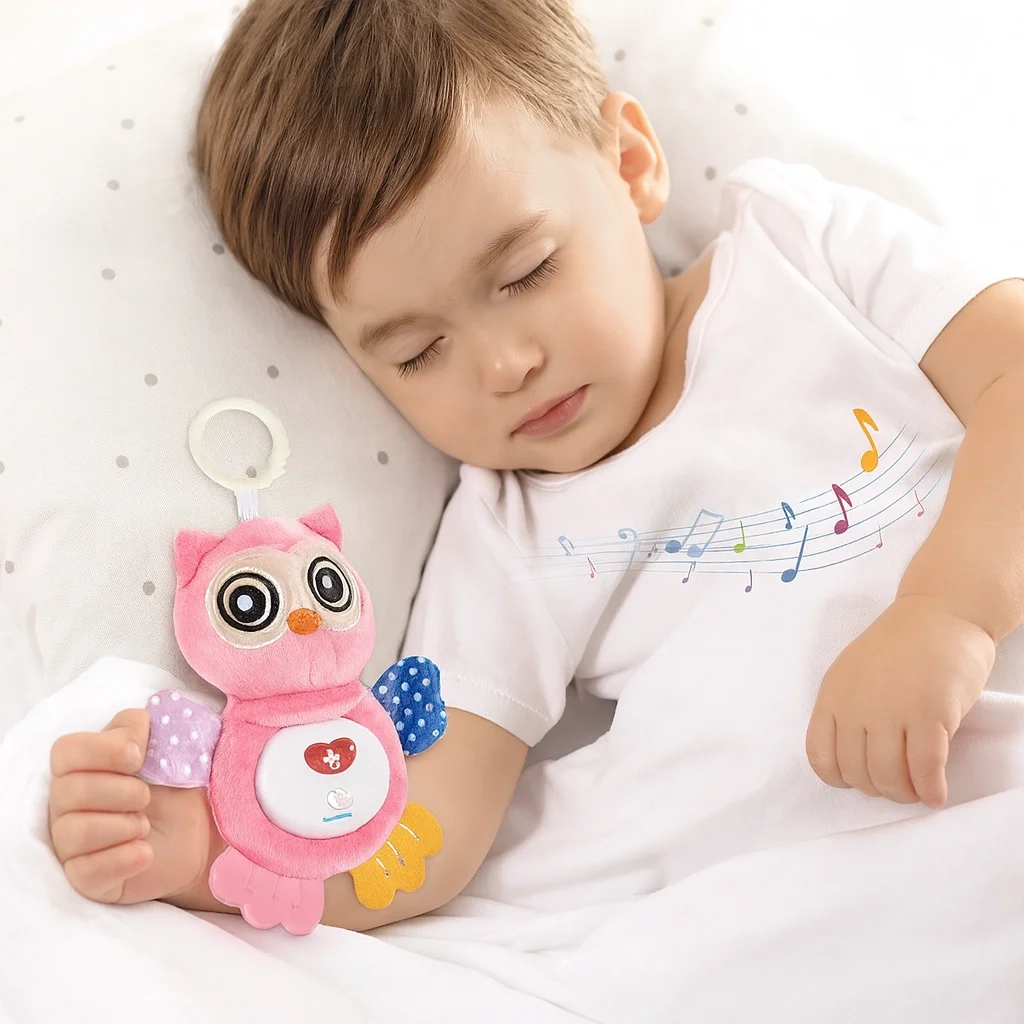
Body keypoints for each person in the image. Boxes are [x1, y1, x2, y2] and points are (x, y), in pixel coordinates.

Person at [47, 0, 1024, 927]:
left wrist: (947, 613)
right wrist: (214, 853)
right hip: (830, 884)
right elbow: (427, 825)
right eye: (418, 352)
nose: (504, 365)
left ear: (630, 163)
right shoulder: (504, 542)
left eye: (526, 273)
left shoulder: (800, 249)